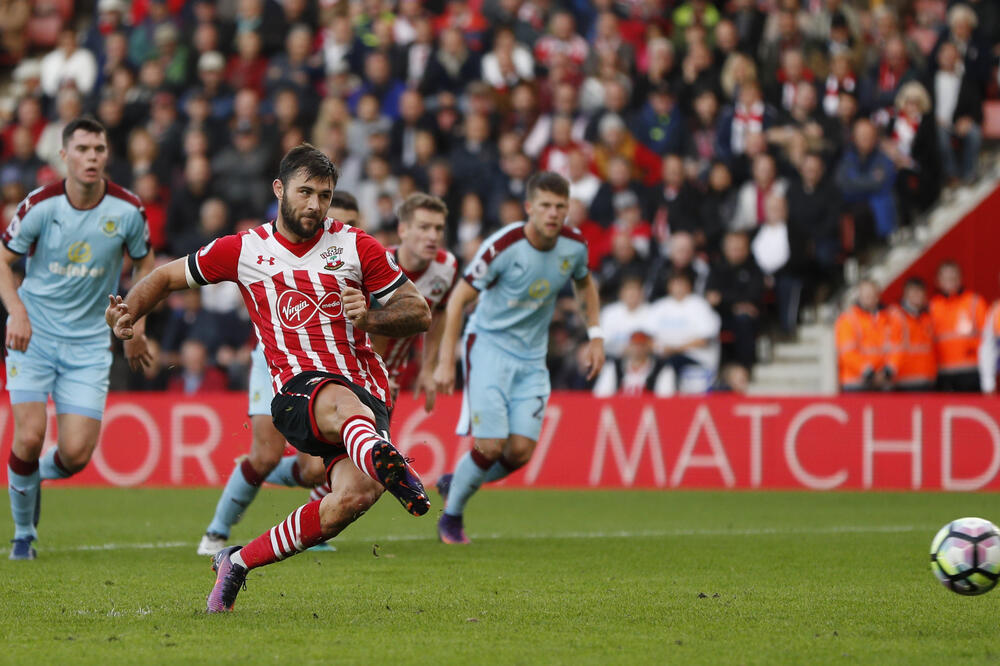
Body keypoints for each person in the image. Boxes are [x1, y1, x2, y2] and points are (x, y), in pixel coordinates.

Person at [106, 144, 432, 612]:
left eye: (324, 194)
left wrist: (371, 320)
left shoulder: (357, 245)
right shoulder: (245, 250)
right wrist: (128, 315)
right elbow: (164, 277)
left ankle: (237, 561)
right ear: (279, 189)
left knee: (352, 499)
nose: (315, 205)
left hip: (366, 390)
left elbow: (418, 311)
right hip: (299, 389)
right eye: (305, 192)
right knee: (339, 403)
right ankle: (386, 457)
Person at [2, 116, 155, 560]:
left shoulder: (127, 210)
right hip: (34, 334)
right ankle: (23, 536)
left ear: (107, 156)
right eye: (83, 149)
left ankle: (31, 478)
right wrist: (16, 311)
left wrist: (136, 324)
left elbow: (145, 265)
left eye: (99, 150)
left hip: (89, 343)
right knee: (28, 437)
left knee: (75, 454)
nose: (92, 157)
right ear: (64, 155)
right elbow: (3, 259)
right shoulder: (41, 204)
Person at [431, 172, 604, 545]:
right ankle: (452, 517)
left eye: (561, 206)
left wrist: (596, 335)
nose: (553, 213)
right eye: (545, 205)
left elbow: (585, 284)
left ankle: (456, 482)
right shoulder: (503, 246)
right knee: (490, 445)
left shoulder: (574, 246)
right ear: (529, 208)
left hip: (531, 358)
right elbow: (459, 299)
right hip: (489, 347)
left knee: (520, 452)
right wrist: (446, 361)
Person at [930, 260, 986, 392]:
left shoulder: (974, 301)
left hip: (971, 370)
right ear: (938, 281)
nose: (950, 281)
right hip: (943, 372)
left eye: (953, 277)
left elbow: (986, 337)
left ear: (961, 278)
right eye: (946, 278)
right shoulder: (933, 305)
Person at [834, 279, 887, 392]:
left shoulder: (886, 319)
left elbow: (893, 348)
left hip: (881, 382)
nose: (868, 298)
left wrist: (886, 371)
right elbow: (847, 353)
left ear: (877, 296)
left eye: (871, 294)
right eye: (865, 294)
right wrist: (869, 372)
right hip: (856, 383)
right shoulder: (848, 319)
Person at [884, 277, 936, 391]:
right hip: (904, 380)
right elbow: (892, 346)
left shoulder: (928, 317)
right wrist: (890, 369)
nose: (916, 295)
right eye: (913, 292)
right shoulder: (896, 317)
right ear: (905, 294)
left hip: (926, 379)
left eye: (919, 291)